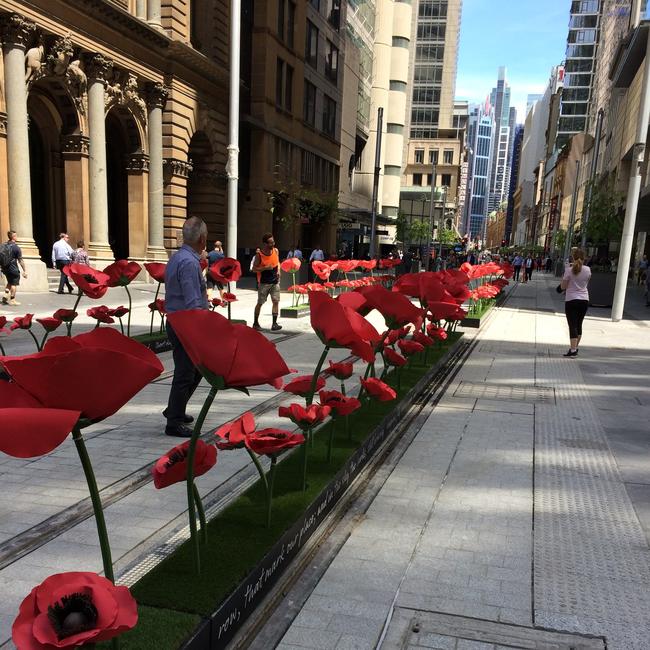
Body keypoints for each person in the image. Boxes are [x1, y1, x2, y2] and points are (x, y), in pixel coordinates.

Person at [163, 216, 209, 437]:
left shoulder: (177, 257)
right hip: (185, 324)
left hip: (175, 320)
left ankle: (174, 408)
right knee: (185, 372)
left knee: (196, 369)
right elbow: (193, 303)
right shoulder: (190, 263)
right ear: (202, 239)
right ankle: (173, 422)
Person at [560, 248, 591, 358]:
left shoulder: (569, 270)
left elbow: (563, 286)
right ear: (584, 258)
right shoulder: (588, 269)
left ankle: (573, 350)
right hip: (584, 299)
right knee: (579, 324)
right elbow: (585, 282)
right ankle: (575, 348)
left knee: (572, 325)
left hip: (571, 299)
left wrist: (566, 273)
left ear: (572, 257)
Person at [252, 232, 282, 331]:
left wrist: (278, 270)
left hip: (275, 282)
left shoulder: (276, 251)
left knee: (276, 301)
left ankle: (274, 324)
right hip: (264, 283)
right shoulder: (259, 255)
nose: (273, 244)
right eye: (270, 242)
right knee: (260, 303)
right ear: (265, 244)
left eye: (273, 241)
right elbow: (254, 269)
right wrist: (264, 268)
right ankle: (255, 323)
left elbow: (277, 262)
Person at [1, 230, 27, 306]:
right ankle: (13, 300)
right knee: (14, 284)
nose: (17, 237)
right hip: (13, 268)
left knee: (9, 281)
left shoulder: (3, 245)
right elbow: (20, 260)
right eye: (16, 235)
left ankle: (5, 295)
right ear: (14, 237)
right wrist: (24, 270)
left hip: (5, 268)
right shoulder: (16, 248)